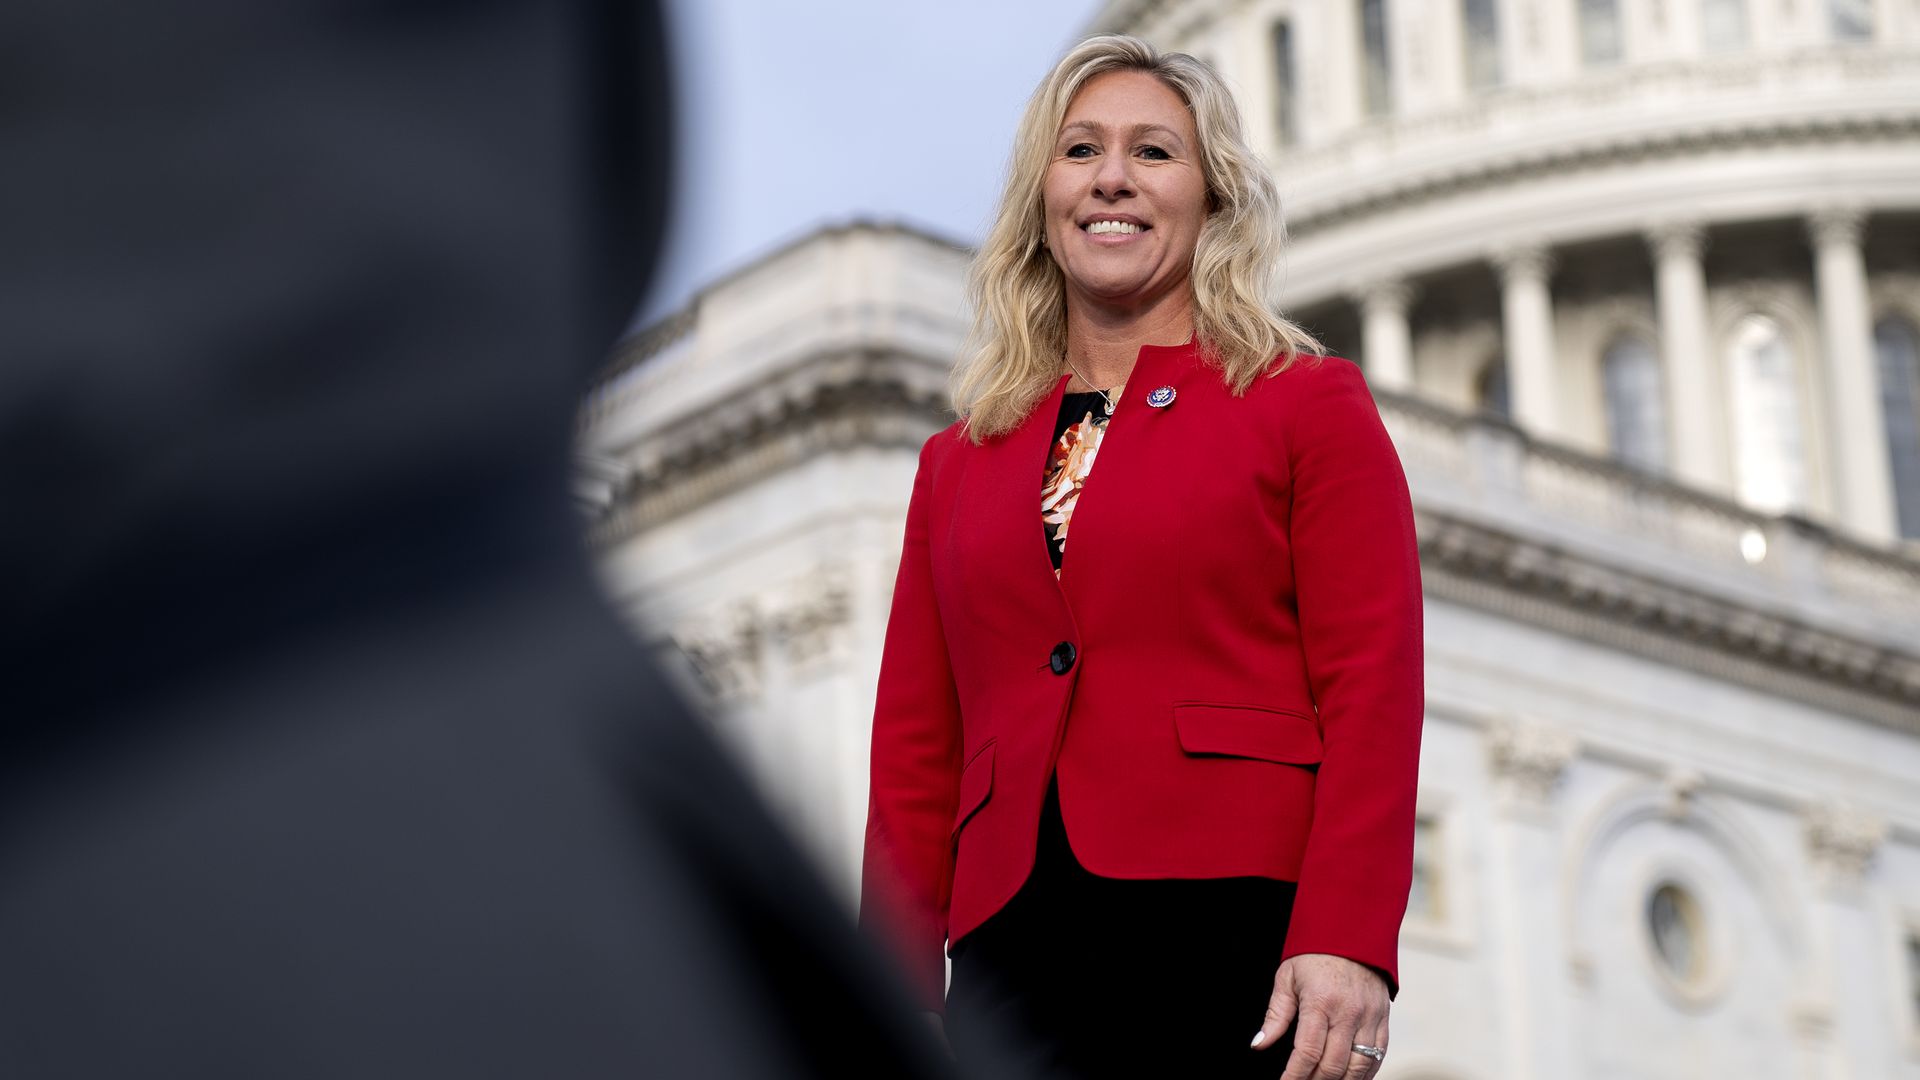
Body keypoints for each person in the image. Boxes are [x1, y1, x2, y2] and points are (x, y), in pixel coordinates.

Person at [858, 33, 1424, 1080]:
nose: (1111, 176)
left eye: (1154, 152)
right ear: (1042, 196)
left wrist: (1346, 933)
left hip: (1231, 928)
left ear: (1212, 198)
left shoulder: (1304, 404)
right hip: (1007, 943)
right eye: (1080, 151)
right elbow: (914, 747)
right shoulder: (959, 460)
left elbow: (1372, 687)